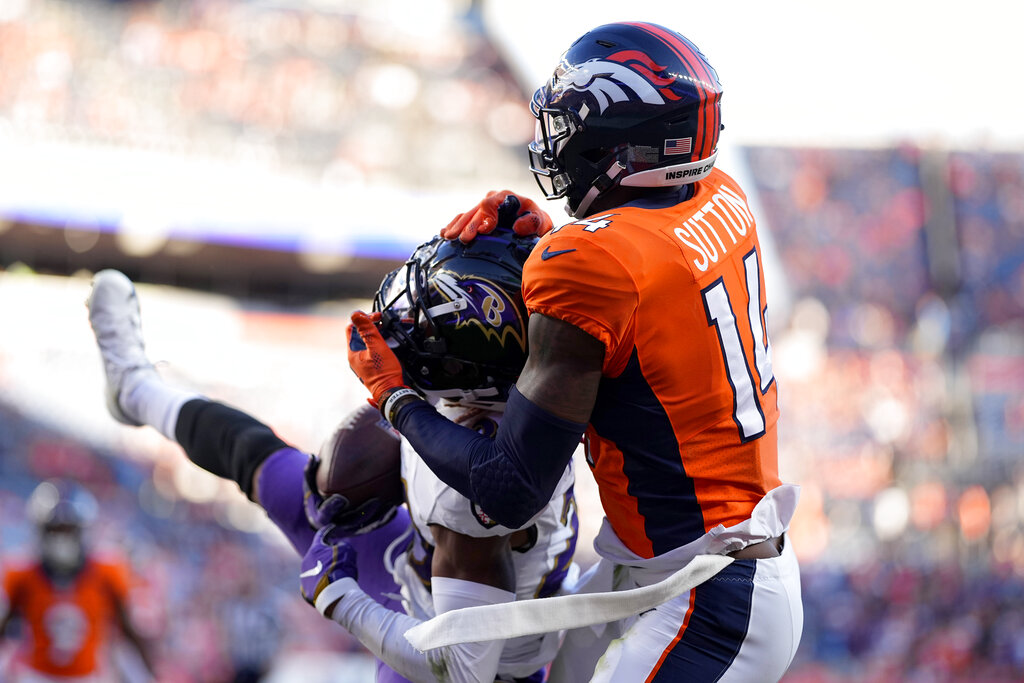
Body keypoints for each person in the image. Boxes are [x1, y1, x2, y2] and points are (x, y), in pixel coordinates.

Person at [345, 21, 803, 682]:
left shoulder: (591, 261)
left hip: (709, 598)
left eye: (572, 129)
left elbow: (509, 489)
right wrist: (549, 237)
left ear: (625, 148)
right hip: (694, 563)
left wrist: (394, 396)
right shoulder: (718, 192)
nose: (557, 145)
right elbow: (644, 277)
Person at [86, 224, 578, 683]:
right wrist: (511, 235)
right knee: (275, 468)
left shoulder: (468, 501)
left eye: (434, 324)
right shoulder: (548, 378)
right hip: (434, 565)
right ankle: (135, 389)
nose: (411, 323)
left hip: (458, 645)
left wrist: (339, 598)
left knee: (319, 496)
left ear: (474, 364)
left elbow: (460, 668)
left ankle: (135, 391)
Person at [0, 480, 156, 683]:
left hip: (87, 678)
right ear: (41, 531)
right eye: (55, 530)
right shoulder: (23, 574)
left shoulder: (106, 572)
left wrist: (148, 676)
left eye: (68, 530)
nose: (61, 540)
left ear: (82, 532)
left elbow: (128, 631)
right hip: (37, 677)